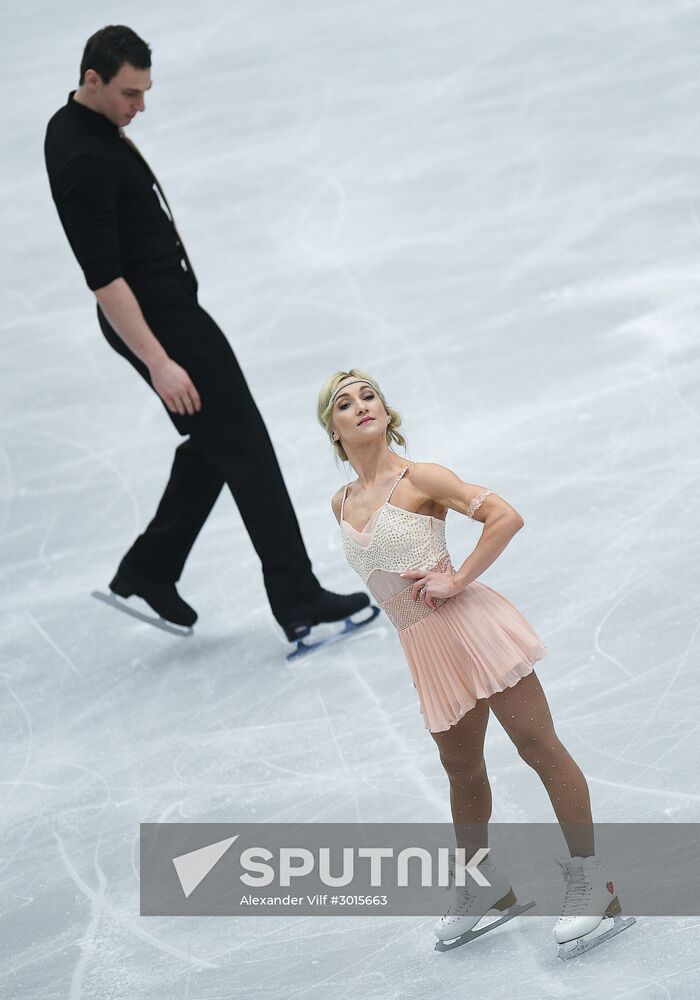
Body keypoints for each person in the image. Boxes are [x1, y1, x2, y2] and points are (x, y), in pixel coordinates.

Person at [43, 25, 369, 643]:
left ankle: (149, 568)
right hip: (157, 324)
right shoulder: (82, 156)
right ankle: (298, 599)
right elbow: (105, 280)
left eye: (144, 92)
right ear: (92, 81)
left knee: (216, 441)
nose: (140, 107)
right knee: (245, 444)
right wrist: (160, 361)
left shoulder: (86, 128)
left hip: (167, 312)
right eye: (129, 94)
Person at [317, 367, 635, 957]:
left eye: (370, 396)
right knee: (462, 773)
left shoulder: (421, 478)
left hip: (473, 628)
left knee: (539, 749)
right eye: (344, 403)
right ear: (332, 429)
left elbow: (505, 516)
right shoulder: (340, 502)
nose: (361, 406)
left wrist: (457, 577)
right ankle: (483, 888)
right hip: (425, 648)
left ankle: (595, 885)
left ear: (386, 412)